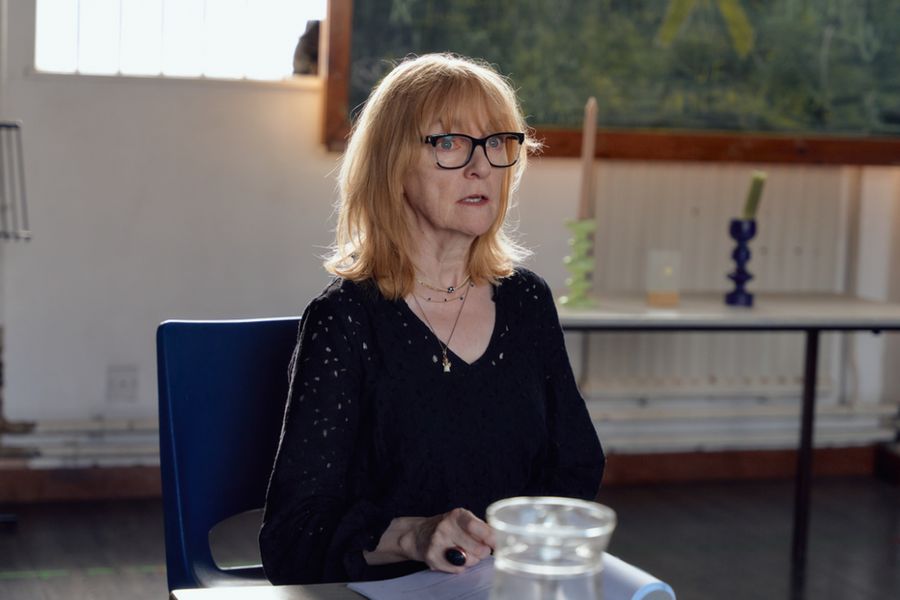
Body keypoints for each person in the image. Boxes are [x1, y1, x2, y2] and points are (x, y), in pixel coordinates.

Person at [259, 53, 604, 585]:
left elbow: (575, 467)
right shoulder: (344, 321)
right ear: (390, 165)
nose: (482, 166)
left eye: (496, 143)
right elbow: (293, 537)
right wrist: (413, 536)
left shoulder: (526, 301)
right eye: (448, 143)